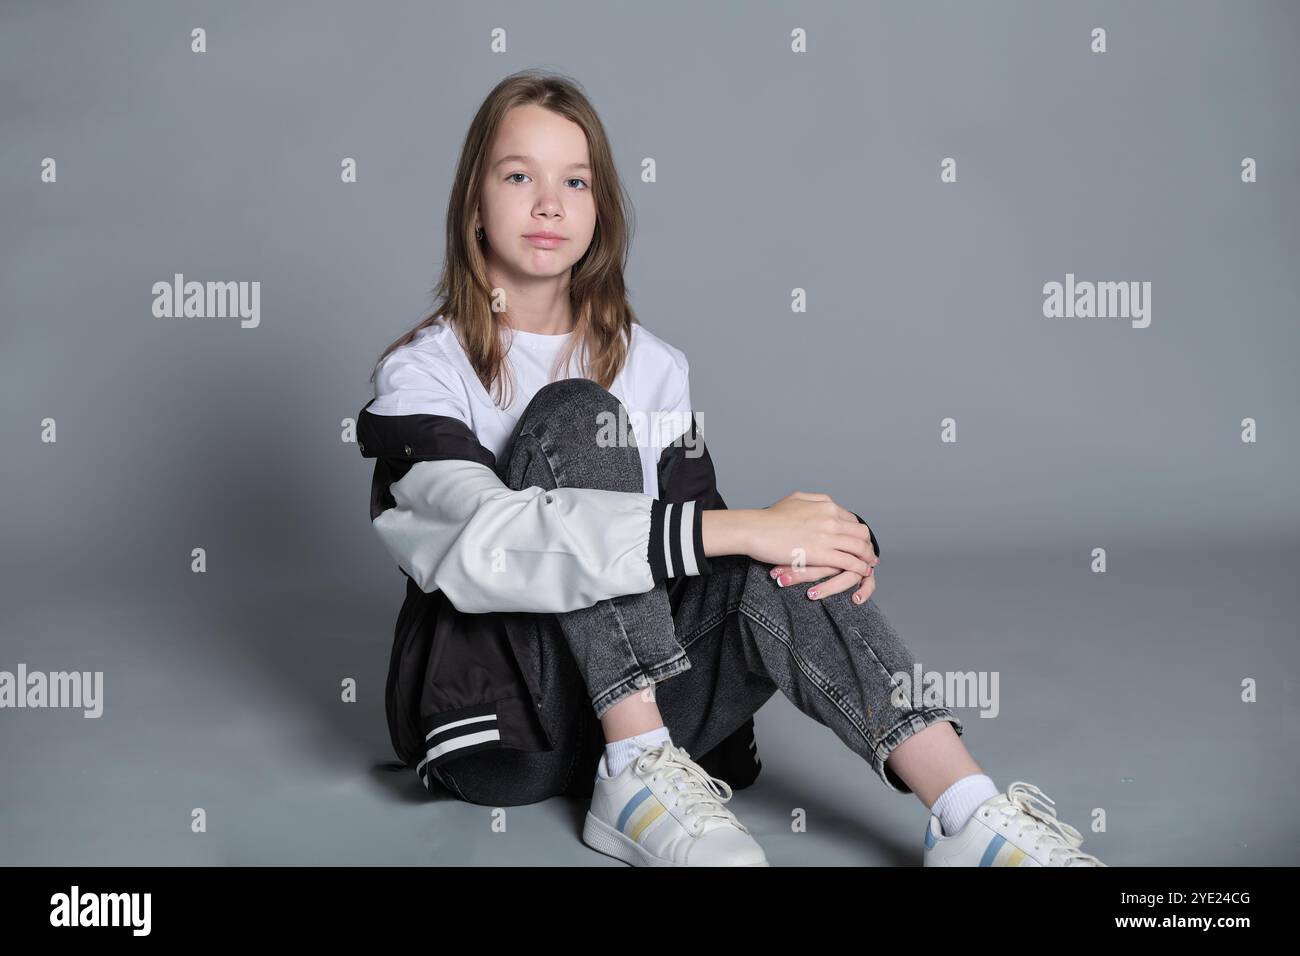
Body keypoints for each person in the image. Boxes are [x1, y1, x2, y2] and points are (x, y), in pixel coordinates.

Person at [357, 69, 1106, 868]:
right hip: (514, 720)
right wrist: (749, 526)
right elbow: (483, 546)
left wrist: (818, 541)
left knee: (769, 566)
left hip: (661, 708)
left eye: (575, 180)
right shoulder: (423, 375)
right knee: (584, 418)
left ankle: (970, 817)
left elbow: (697, 567)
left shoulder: (652, 365)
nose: (549, 203)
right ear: (474, 202)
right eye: (518, 176)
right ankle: (634, 772)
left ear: (600, 207)